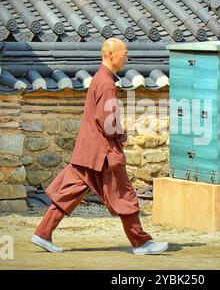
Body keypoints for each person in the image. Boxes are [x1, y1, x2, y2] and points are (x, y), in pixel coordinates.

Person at [31, 38, 168, 255]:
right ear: (110, 54)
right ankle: (141, 243)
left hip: (88, 152)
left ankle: (43, 233)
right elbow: (107, 122)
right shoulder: (106, 83)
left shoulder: (99, 79)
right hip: (104, 154)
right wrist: (120, 134)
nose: (126, 56)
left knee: (68, 192)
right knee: (124, 195)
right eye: (124, 52)